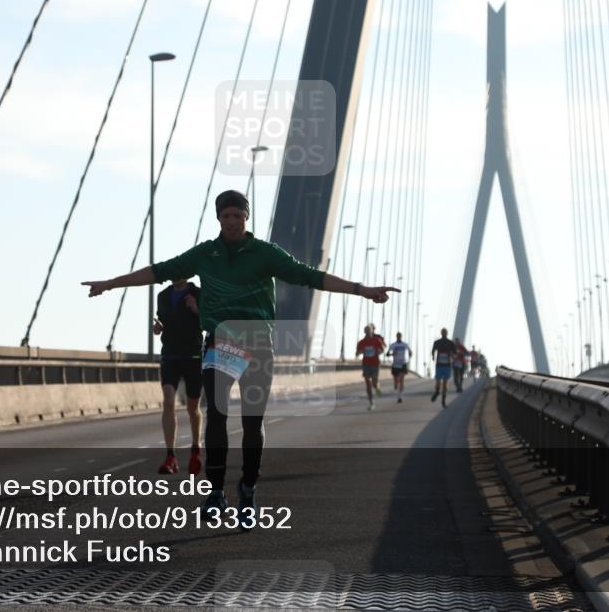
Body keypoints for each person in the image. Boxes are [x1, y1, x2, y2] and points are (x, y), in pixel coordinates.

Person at [83, 190, 398, 530]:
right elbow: (159, 271)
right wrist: (112, 283)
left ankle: (248, 491)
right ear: (219, 218)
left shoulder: (265, 253)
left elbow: (310, 276)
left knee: (252, 422)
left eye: (238, 216)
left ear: (246, 218)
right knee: (216, 415)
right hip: (222, 343)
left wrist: (361, 289)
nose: (232, 222)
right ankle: (215, 493)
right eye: (226, 216)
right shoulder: (206, 254)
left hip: (259, 345)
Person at [153, 279, 203, 475]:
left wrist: (196, 309)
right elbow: (163, 322)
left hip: (193, 356)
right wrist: (158, 328)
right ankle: (170, 456)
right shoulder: (163, 296)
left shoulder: (198, 293)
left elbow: (208, 322)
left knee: (193, 407)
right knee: (168, 400)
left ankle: (195, 449)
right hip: (170, 355)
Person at [355, 326, 386, 410]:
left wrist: (378, 352)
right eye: (366, 331)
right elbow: (357, 353)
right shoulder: (361, 342)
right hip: (366, 364)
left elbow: (382, 350)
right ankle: (371, 403)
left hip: (375, 363)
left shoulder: (377, 340)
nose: (368, 332)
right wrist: (360, 352)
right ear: (364, 332)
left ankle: (377, 387)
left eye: (369, 331)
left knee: (374, 383)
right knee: (368, 384)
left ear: (372, 331)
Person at [431, 328, 455, 407]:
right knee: (438, 381)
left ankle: (443, 401)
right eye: (443, 332)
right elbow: (433, 350)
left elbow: (454, 352)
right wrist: (433, 356)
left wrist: (453, 356)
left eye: (445, 332)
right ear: (441, 333)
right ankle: (437, 392)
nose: (444, 333)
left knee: (445, 384)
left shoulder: (450, 343)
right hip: (439, 364)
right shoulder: (437, 342)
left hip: (447, 365)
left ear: (447, 333)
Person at [386, 332, 412, 402]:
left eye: (400, 336)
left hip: (403, 364)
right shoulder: (393, 345)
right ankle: (396, 386)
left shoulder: (405, 344)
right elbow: (387, 354)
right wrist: (392, 354)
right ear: (396, 337)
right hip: (395, 364)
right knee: (396, 382)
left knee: (401, 380)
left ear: (401, 336)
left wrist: (410, 354)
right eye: (398, 336)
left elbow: (410, 351)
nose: (399, 337)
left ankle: (399, 397)